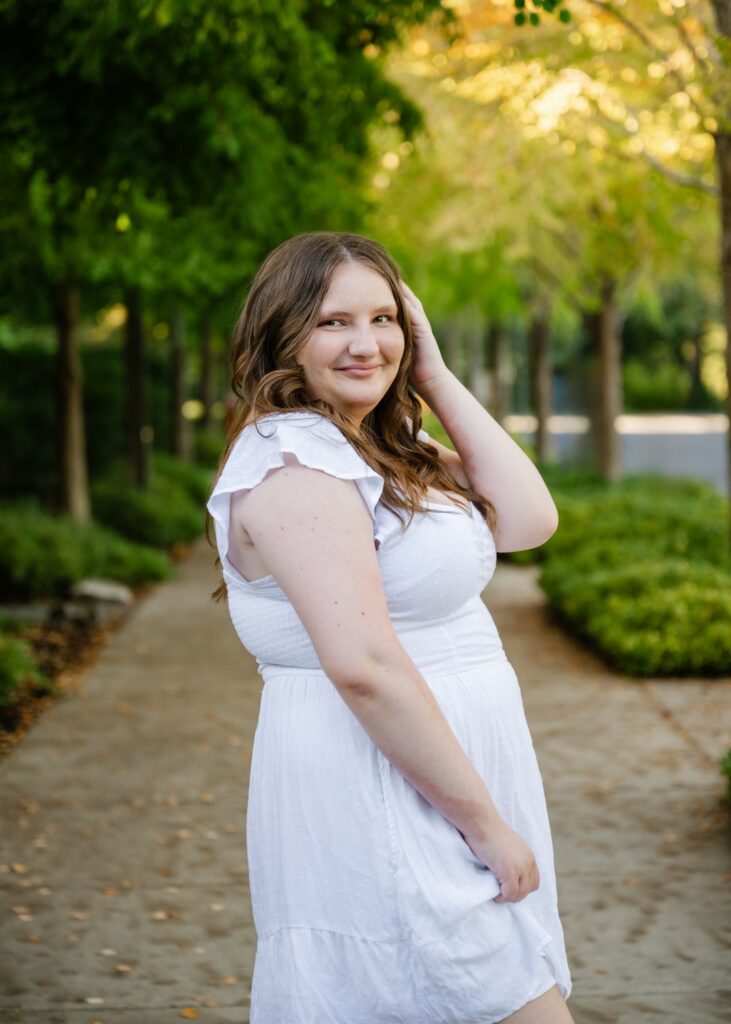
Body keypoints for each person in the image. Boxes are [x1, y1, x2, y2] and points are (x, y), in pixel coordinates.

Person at [205, 231, 574, 1023]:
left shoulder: (376, 445)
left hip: (437, 774)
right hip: (382, 787)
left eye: (384, 318)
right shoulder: (296, 462)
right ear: (283, 333)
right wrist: (484, 827)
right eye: (334, 322)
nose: (366, 343)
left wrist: (434, 375)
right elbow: (364, 666)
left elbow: (528, 519)